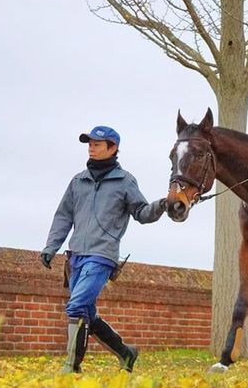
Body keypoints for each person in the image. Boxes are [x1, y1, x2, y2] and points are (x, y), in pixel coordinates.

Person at [40, 125, 167, 374]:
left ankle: (71, 367)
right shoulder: (78, 181)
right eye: (89, 144)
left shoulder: (125, 181)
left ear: (113, 148)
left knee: (76, 307)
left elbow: (141, 213)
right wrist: (51, 246)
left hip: (102, 256)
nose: (91, 148)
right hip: (76, 256)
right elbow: (63, 216)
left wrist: (162, 205)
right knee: (87, 312)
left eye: (97, 144)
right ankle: (126, 353)